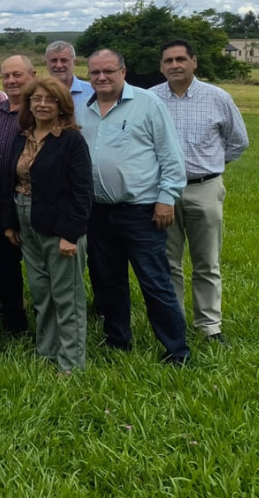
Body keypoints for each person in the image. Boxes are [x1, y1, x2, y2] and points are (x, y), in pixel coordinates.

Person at [77, 49, 190, 364]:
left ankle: (176, 349)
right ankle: (117, 340)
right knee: (107, 281)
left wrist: (167, 199)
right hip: (97, 212)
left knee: (154, 281)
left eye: (108, 71)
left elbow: (170, 155)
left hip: (140, 210)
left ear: (122, 71)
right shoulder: (82, 110)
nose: (101, 77)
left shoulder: (147, 104)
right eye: (95, 72)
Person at [151, 39, 248, 345]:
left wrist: (213, 167)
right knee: (169, 263)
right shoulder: (151, 99)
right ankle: (174, 322)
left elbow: (238, 141)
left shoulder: (218, 98)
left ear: (194, 62)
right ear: (161, 66)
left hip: (204, 187)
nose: (174, 65)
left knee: (207, 261)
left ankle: (209, 327)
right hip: (162, 192)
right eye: (168, 60)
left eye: (181, 59)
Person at [1, 77, 93, 371]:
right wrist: (11, 223)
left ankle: (71, 363)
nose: (42, 104)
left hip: (59, 225)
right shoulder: (23, 136)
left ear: (62, 105)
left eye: (50, 99)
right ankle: (47, 353)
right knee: (42, 292)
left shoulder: (71, 140)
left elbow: (83, 192)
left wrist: (71, 234)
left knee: (67, 296)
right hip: (27, 221)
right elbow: (11, 182)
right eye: (36, 99)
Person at [0, 55, 36, 335]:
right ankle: (15, 320)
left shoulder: (40, 111)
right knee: (4, 264)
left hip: (30, 198)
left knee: (40, 266)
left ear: (33, 75)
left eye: (19, 75)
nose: (12, 80)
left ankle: (46, 320)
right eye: (8, 75)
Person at [45, 41, 93, 105]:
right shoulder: (37, 93)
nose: (59, 65)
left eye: (64, 60)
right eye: (54, 61)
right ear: (46, 63)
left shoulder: (92, 92)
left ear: (74, 63)